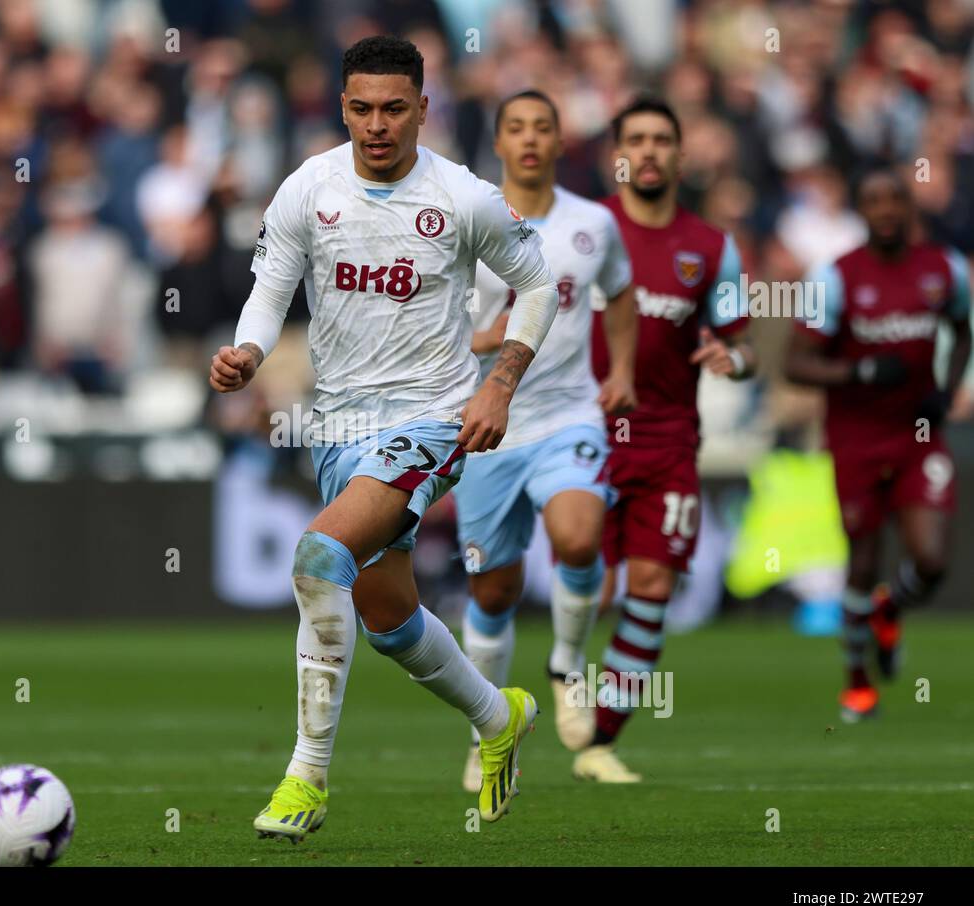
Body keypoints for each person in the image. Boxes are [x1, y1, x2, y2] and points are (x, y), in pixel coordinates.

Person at [209, 36, 559, 842]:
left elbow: (537, 284)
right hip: (337, 430)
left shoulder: (464, 197)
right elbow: (270, 291)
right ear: (343, 108)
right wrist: (249, 353)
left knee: (317, 557)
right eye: (362, 108)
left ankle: (306, 777)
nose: (377, 125)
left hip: (431, 421)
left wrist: (500, 384)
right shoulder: (309, 187)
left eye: (394, 108)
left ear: (423, 110)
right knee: (389, 616)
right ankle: (496, 714)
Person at [453, 89, 638, 793]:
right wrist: (480, 339)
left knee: (580, 538)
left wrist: (619, 369)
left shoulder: (595, 222)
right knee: (493, 590)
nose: (530, 140)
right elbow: (422, 315)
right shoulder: (465, 222)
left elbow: (619, 293)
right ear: (497, 143)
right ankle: (488, 728)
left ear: (562, 142)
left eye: (543, 128)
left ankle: (565, 663)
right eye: (516, 127)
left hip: (569, 416)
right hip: (485, 429)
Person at [586, 95, 758, 782]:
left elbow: (743, 345)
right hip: (585, 436)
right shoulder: (586, 230)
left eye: (663, 140)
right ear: (617, 154)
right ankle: (523, 710)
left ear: (682, 157)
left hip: (669, 440)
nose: (651, 151)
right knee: (590, 586)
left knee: (652, 585)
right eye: (637, 139)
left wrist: (731, 359)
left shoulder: (711, 247)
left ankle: (598, 739)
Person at [784, 165, 970, 723]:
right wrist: (860, 373)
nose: (886, 210)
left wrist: (948, 388)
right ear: (860, 211)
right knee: (861, 562)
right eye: (874, 200)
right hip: (857, 438)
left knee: (932, 561)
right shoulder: (833, 278)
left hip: (917, 435)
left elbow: (963, 328)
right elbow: (794, 363)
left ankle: (892, 609)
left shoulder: (945, 269)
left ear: (908, 207)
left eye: (896, 199)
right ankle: (857, 682)